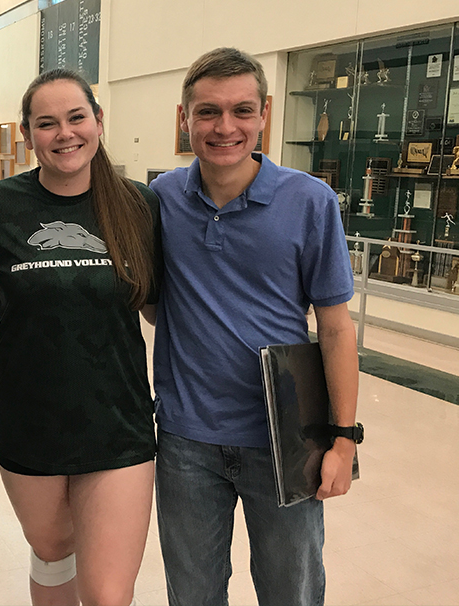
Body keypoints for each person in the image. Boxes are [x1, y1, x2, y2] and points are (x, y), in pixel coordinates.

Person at [149, 48, 360, 606]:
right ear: (184, 117)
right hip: (185, 440)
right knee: (192, 593)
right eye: (208, 112)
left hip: (285, 439)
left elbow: (336, 329)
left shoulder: (309, 202)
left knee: (291, 590)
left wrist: (344, 438)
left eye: (242, 110)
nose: (225, 127)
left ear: (264, 112)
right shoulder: (162, 199)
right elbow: (152, 298)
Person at [0, 69, 161, 606]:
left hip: (117, 424)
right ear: (28, 135)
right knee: (53, 552)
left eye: (77, 117)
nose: (65, 133)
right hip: (29, 422)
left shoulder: (139, 205)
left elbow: (161, 309)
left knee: (106, 595)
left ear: (98, 121)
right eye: (46, 123)